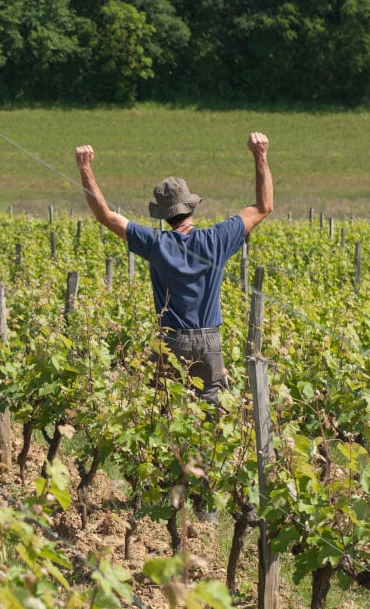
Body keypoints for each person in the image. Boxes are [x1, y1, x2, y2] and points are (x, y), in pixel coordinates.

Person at [74, 133, 273, 405]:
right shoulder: (217, 238)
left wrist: (85, 168)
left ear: (163, 215)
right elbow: (264, 207)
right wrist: (260, 155)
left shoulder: (156, 243)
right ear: (191, 206)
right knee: (210, 413)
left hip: (171, 341)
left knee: (166, 411)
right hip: (210, 342)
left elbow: (105, 216)